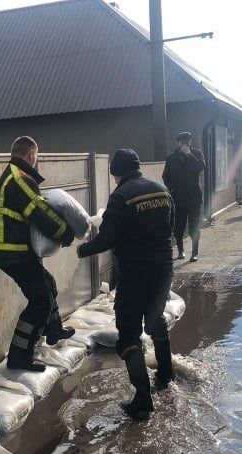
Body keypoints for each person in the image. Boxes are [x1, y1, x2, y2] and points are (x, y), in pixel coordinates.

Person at [77, 149, 175, 420]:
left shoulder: (120, 197)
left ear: (115, 172)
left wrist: (82, 250)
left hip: (134, 274)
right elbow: (173, 227)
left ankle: (143, 401)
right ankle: (166, 376)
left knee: (129, 336)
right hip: (163, 269)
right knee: (156, 322)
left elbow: (107, 238)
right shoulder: (161, 191)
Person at [0, 136, 75, 372]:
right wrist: (64, 231)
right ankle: (19, 357)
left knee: (47, 284)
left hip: (11, 248)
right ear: (32, 154)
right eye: (37, 156)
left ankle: (54, 331)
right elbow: (39, 210)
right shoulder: (20, 178)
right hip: (11, 249)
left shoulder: (14, 174)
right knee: (40, 300)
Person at [163, 131, 206, 262]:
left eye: (187, 142)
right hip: (178, 197)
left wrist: (189, 155)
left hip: (193, 197)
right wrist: (172, 189)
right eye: (182, 143)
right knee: (179, 226)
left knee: (194, 226)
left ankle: (194, 252)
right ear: (178, 143)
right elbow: (166, 176)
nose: (185, 145)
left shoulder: (196, 154)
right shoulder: (171, 158)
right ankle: (181, 250)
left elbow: (201, 166)